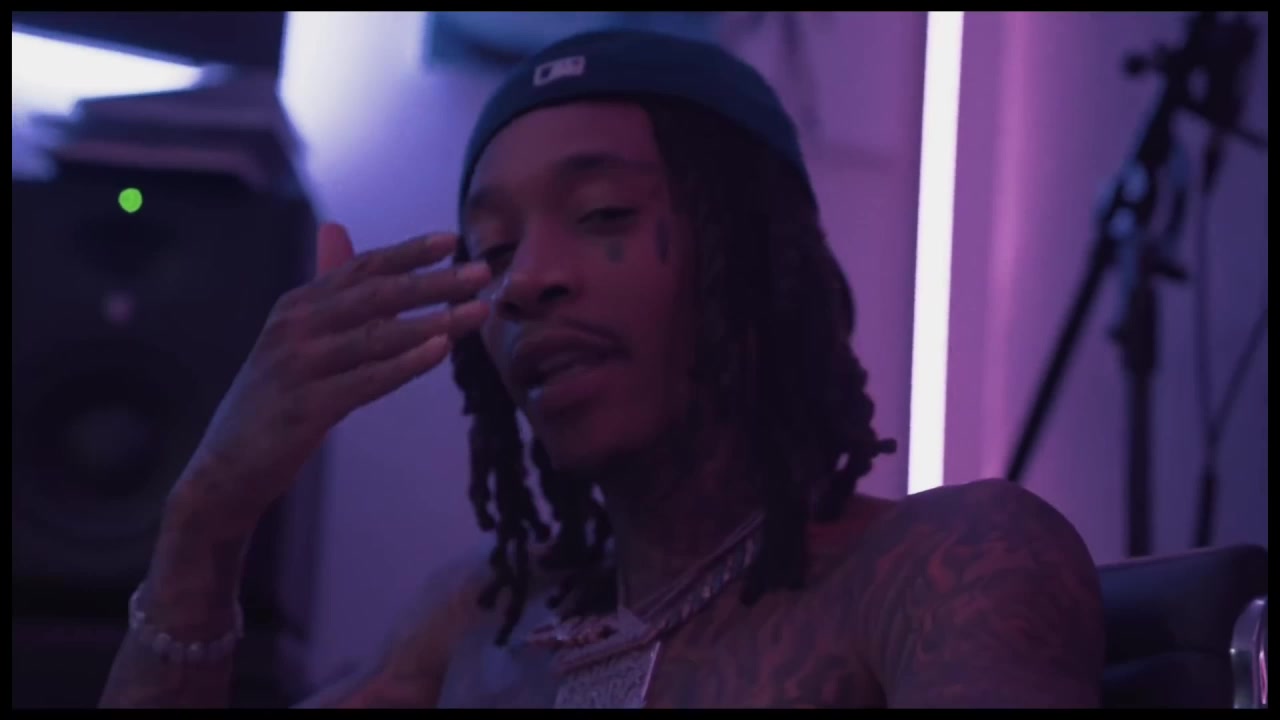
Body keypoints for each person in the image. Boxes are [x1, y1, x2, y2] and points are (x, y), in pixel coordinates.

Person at [99, 29, 1105, 709]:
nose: (527, 281)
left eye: (603, 214)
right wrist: (208, 514)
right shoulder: (475, 622)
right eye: (491, 251)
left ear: (756, 261)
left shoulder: (944, 565)